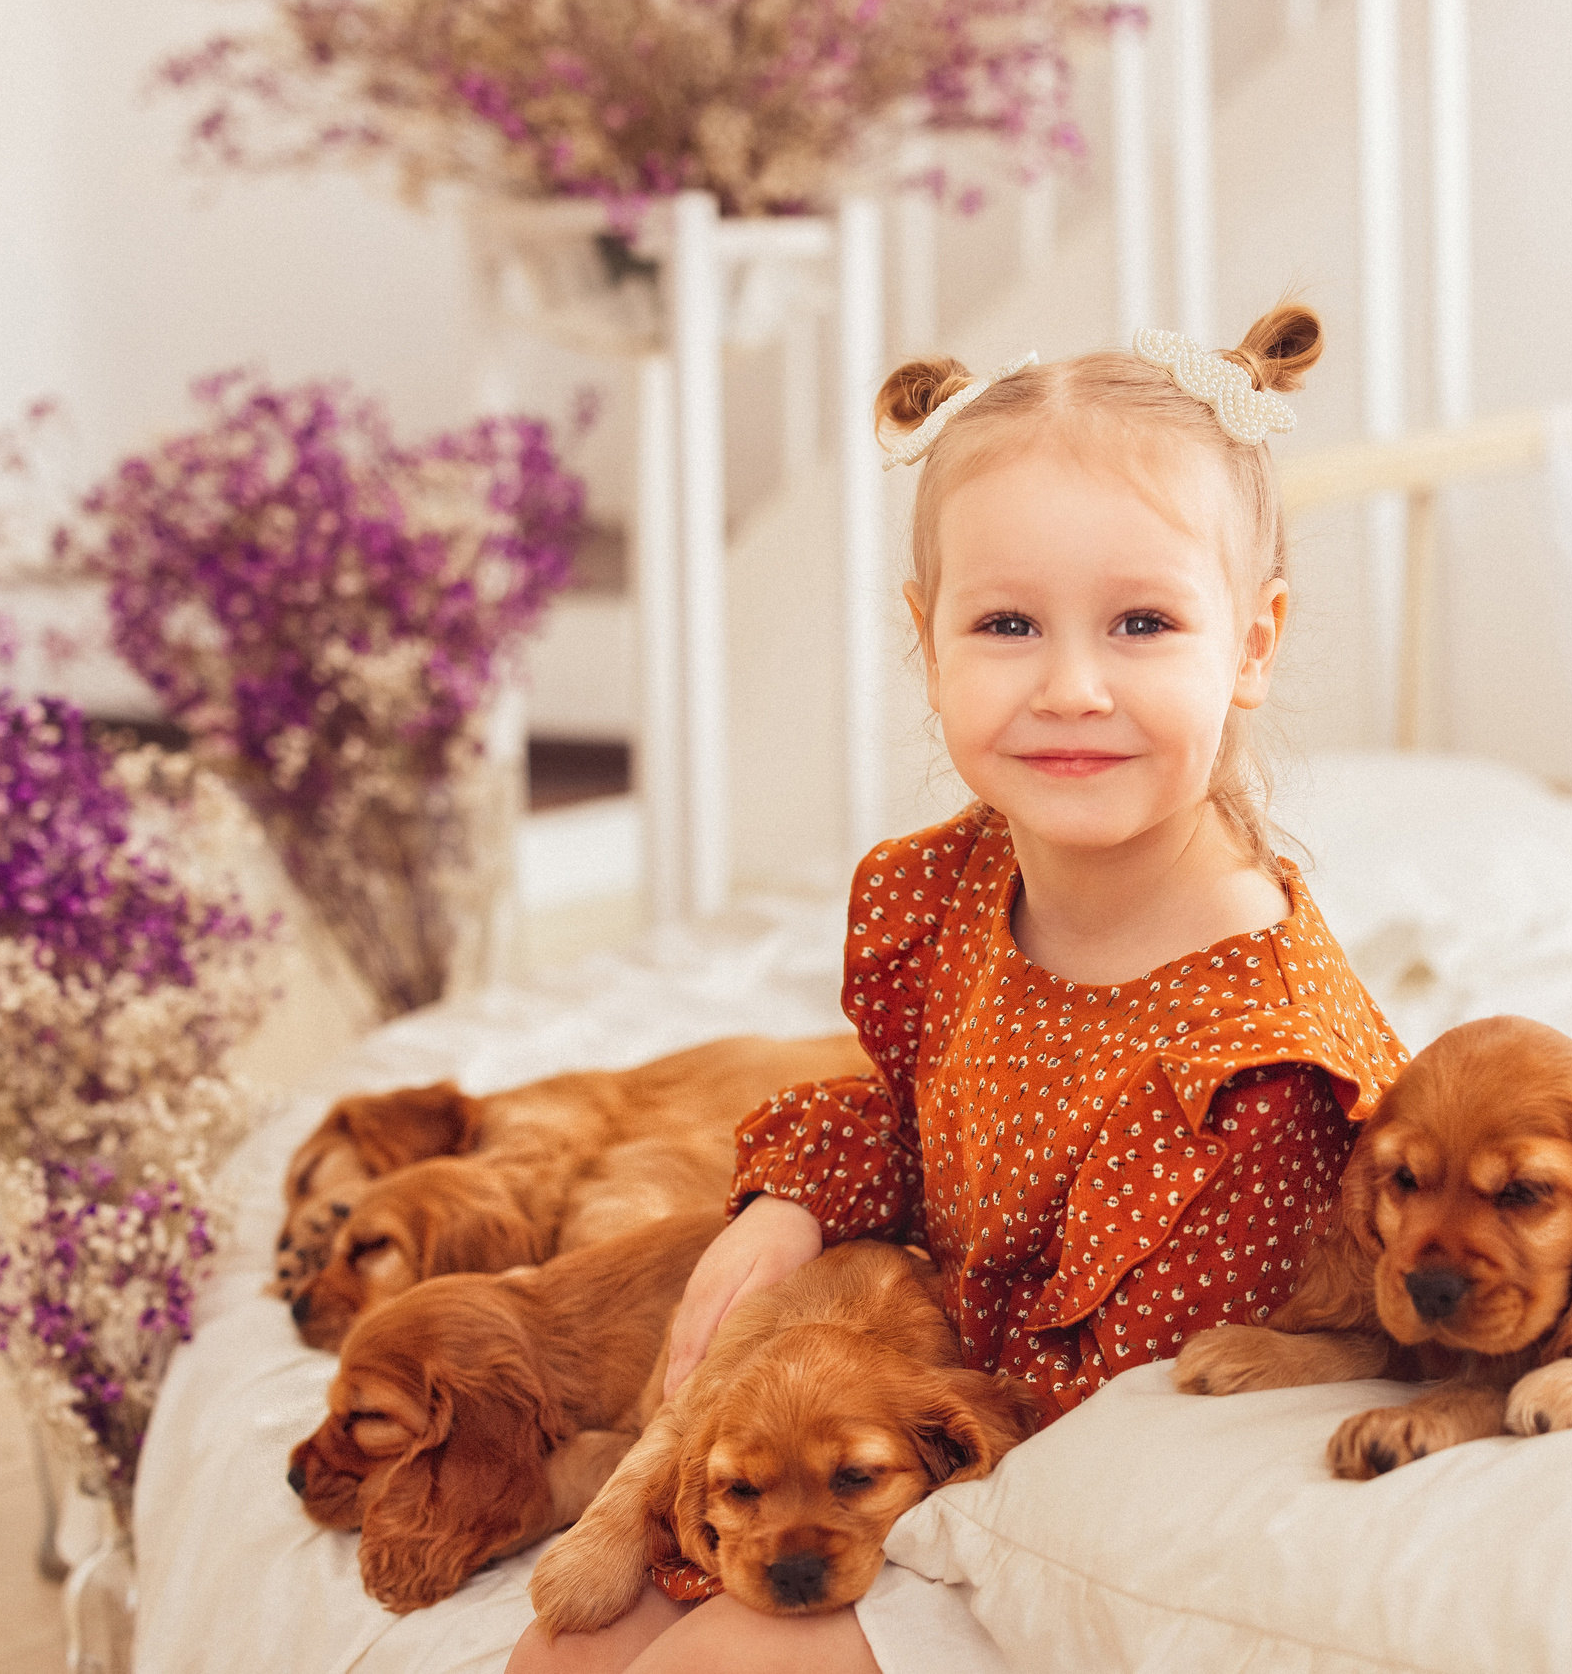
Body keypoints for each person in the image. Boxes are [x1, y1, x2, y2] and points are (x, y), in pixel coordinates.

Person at [509, 303, 1407, 1674]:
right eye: (1007, 624)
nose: (1072, 685)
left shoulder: (1254, 1065)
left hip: (1092, 1498)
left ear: (1253, 643)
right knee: (560, 1652)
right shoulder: (959, 886)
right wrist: (794, 1202)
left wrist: (870, 1443)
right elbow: (924, 1120)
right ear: (928, 641)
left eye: (1143, 623)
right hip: (962, 1416)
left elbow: (1109, 1428)